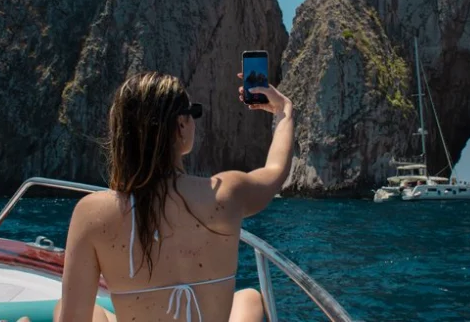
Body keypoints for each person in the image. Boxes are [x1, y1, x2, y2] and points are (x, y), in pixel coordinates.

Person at [48, 71, 294, 322]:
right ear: (181, 125)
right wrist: (283, 111)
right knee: (249, 297)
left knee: (68, 308)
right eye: (193, 112)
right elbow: (275, 171)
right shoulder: (227, 194)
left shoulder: (91, 214)